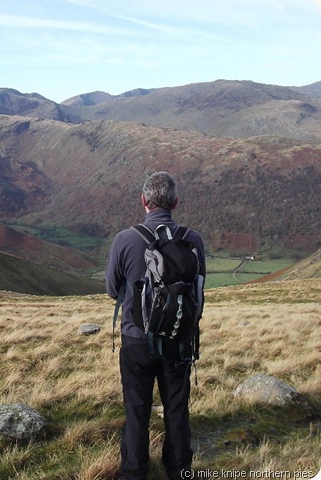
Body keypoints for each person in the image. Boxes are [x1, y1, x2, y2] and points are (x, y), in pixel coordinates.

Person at [105, 172, 206, 480]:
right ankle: (179, 470)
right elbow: (198, 291)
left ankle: (134, 472)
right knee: (177, 407)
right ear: (175, 202)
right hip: (178, 339)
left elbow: (112, 289)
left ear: (143, 201)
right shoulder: (193, 240)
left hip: (136, 340)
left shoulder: (126, 239)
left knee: (137, 409)